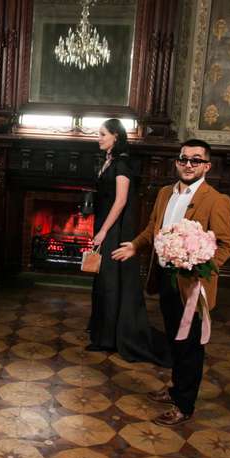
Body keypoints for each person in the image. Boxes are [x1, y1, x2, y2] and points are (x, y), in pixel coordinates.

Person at [113, 139, 230, 426]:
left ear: (207, 166)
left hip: (193, 285)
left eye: (196, 160)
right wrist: (135, 246)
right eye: (183, 159)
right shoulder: (165, 193)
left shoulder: (216, 200)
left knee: (190, 347)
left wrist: (202, 267)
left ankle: (184, 405)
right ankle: (176, 389)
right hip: (165, 278)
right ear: (177, 162)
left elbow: (226, 245)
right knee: (174, 341)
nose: (188, 165)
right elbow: (152, 229)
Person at [86, 119, 171, 367]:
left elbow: (121, 201)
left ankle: (111, 338)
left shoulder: (122, 164)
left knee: (111, 281)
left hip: (115, 229)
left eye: (102, 134)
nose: (99, 138)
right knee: (104, 280)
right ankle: (103, 333)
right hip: (105, 224)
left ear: (115, 136)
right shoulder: (109, 161)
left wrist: (103, 231)